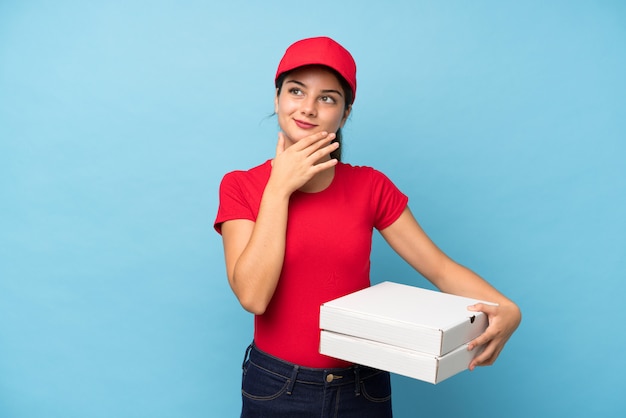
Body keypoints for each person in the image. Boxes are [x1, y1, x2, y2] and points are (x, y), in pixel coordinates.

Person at [214, 36, 521, 418]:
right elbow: (253, 297)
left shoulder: (370, 186)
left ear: (343, 115)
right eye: (296, 91)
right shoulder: (241, 186)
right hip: (278, 388)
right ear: (277, 100)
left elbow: (440, 268)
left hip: (362, 388)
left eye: (327, 98)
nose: (308, 108)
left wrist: (506, 307)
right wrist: (279, 188)